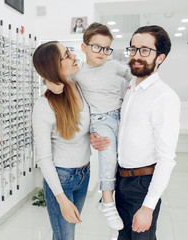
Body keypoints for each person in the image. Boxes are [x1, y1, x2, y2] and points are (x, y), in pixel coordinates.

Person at [91, 25, 181, 240]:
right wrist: (98, 138)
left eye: (145, 50)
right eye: (133, 49)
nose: (136, 56)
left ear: (160, 57)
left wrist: (148, 207)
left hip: (142, 184)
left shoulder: (164, 97)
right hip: (121, 180)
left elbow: (167, 159)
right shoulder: (130, 87)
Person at [47, 22, 133, 230]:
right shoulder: (79, 71)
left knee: (122, 158)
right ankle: (108, 202)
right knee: (107, 156)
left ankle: (105, 201)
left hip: (120, 117)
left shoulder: (114, 66)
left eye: (106, 48)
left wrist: (134, 85)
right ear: (84, 47)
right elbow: (57, 77)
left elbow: (132, 74)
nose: (102, 52)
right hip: (100, 120)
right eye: (96, 47)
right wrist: (50, 84)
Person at [32, 41, 91, 240]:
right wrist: (62, 200)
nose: (73, 56)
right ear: (54, 66)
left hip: (84, 173)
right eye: (66, 55)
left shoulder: (80, 84)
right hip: (62, 179)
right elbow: (44, 159)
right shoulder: (44, 106)